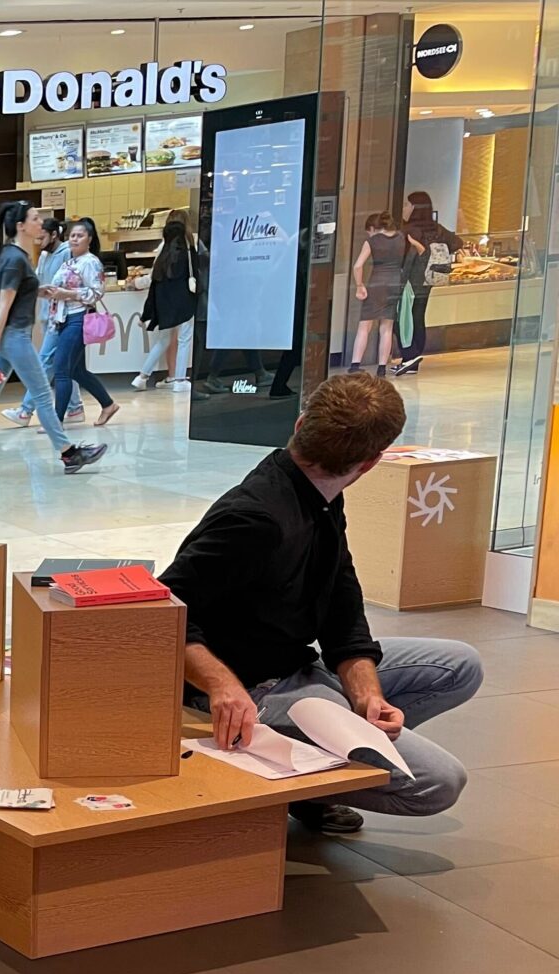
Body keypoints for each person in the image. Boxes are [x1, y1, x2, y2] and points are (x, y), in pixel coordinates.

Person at [160, 372, 479, 835]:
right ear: (371, 463)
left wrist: (367, 695)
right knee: (437, 782)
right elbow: (166, 607)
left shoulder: (323, 497)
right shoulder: (255, 517)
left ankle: (325, 755)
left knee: (460, 665)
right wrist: (222, 686)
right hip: (256, 687)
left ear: (301, 423)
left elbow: (342, 607)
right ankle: (304, 781)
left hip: (301, 664)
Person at [0, 201, 110, 480]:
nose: (41, 223)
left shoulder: (15, 255)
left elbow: (13, 298)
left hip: (8, 338)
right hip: (13, 338)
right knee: (40, 393)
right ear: (21, 226)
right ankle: (68, 453)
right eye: (35, 218)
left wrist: (38, 291)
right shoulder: (15, 258)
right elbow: (4, 304)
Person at [40, 217, 120, 429]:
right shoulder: (69, 262)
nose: (75, 239)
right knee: (76, 371)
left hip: (78, 319)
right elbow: (58, 288)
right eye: (72, 236)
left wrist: (67, 293)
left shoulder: (90, 262)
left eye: (80, 235)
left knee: (61, 369)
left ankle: (56, 421)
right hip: (63, 319)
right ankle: (108, 404)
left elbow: (96, 293)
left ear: (89, 239)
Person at [2, 215, 68, 428]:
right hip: (48, 315)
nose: (39, 241)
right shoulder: (43, 256)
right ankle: (77, 407)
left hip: (62, 317)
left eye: (43, 236)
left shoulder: (65, 254)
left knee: (44, 362)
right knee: (68, 367)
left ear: (55, 235)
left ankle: (25, 411)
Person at [392, 191, 462, 377]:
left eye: (407, 205)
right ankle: (414, 359)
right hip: (429, 278)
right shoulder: (437, 229)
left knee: (403, 318)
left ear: (414, 207)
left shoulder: (410, 230)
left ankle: (410, 357)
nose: (404, 208)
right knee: (418, 316)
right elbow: (457, 243)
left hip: (410, 280)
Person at [130, 219, 197, 391]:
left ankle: (142, 376)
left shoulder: (162, 257)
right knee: (184, 339)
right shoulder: (187, 253)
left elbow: (153, 281)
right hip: (184, 303)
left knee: (163, 340)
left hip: (165, 304)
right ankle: (180, 380)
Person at [350, 211, 415, 378]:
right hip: (395, 283)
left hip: (376, 283)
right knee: (387, 327)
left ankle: (355, 364)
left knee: (365, 325)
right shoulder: (402, 238)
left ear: (373, 228)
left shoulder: (372, 241)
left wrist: (359, 286)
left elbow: (358, 266)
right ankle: (381, 368)